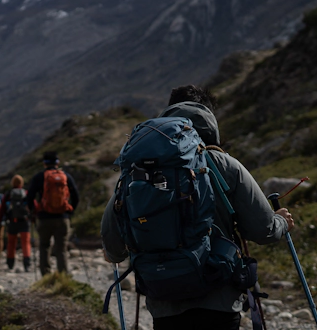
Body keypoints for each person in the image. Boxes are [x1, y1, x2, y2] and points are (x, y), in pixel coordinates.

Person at [101, 85, 295, 330]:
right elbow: (263, 231)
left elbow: (113, 245)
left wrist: (117, 253)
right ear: (209, 119)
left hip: (164, 301)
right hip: (219, 300)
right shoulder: (224, 164)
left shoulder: (138, 171)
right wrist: (280, 222)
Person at [27, 151, 79, 275]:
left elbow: (29, 197)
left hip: (44, 218)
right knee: (61, 249)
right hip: (62, 218)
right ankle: (63, 276)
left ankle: (46, 275)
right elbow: (76, 196)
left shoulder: (39, 177)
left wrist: (33, 212)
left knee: (44, 246)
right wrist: (70, 210)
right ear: (58, 162)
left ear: (44, 163)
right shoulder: (66, 176)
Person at [0, 175, 32, 271]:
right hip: (24, 221)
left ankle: (10, 263)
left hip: (12, 222)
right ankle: (27, 264)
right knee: (25, 243)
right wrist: (33, 218)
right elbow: (33, 205)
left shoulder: (8, 194)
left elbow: (2, 209)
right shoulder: (25, 193)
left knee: (11, 243)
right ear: (21, 183)